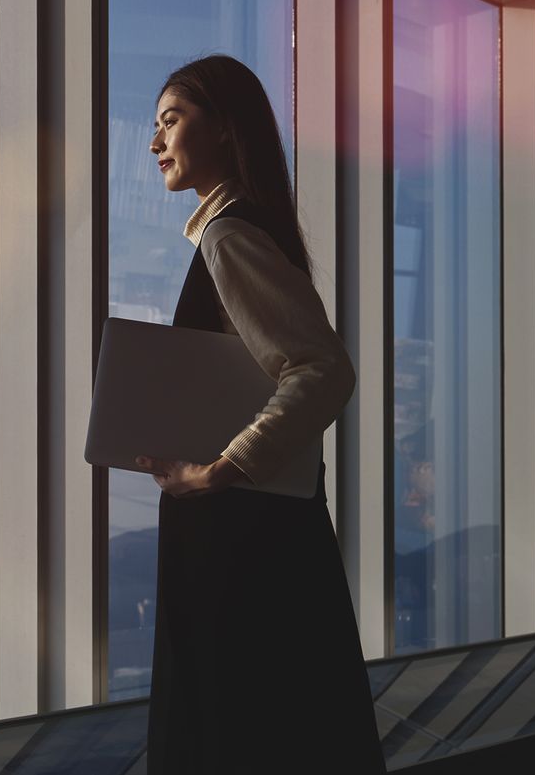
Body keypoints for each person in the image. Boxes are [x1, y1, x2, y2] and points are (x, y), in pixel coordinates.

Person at [134, 55, 386, 773]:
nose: (154, 143)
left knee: (233, 727)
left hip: (237, 539)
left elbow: (321, 369)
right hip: (263, 527)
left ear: (223, 129)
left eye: (171, 120)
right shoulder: (246, 228)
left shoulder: (228, 235)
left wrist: (221, 469)